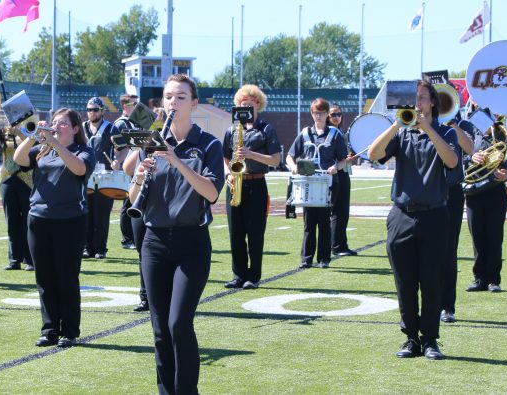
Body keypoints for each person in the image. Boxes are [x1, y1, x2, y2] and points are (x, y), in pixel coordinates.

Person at [129, 74, 224, 394]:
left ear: (194, 103)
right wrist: (140, 176)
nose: (174, 102)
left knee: (178, 325)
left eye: (181, 97)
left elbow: (211, 193)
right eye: (169, 97)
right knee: (159, 330)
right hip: (154, 241)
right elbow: (132, 199)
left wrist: (175, 158)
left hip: (192, 243)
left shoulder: (208, 143)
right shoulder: (151, 141)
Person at [368, 80, 459, 360]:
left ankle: (430, 339)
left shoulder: (445, 132)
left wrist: (427, 128)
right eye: (413, 99)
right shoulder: (402, 133)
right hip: (401, 215)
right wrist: (397, 124)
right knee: (404, 281)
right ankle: (410, 338)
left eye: (421, 98)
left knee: (432, 281)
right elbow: (373, 154)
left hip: (434, 215)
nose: (417, 103)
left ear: (432, 102)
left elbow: (452, 161)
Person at [13, 108, 95, 348]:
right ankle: (49, 329)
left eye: (63, 124)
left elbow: (79, 169)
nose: (57, 126)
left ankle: (69, 331)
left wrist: (57, 145)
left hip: (70, 221)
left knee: (66, 278)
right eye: (55, 122)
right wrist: (33, 136)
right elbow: (18, 159)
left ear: (75, 129)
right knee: (45, 278)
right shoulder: (42, 150)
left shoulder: (83, 151)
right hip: (39, 219)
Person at [222, 85, 281, 290]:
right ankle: (238, 275)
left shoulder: (266, 129)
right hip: (235, 183)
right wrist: (228, 173)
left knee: (255, 233)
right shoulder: (231, 129)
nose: (245, 105)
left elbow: (275, 160)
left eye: (250, 102)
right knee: (235, 233)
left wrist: (251, 154)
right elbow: (225, 157)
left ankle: (253, 276)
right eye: (241, 102)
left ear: (258, 104)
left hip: (256, 183)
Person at [286, 98, 348, 269]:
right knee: (309, 222)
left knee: (324, 221)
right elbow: (289, 156)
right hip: (308, 182)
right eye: (315, 113)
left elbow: (344, 160)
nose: (318, 116)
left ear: (327, 114)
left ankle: (323, 259)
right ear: (311, 113)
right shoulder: (305, 133)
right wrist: (292, 167)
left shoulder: (335, 135)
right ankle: (306, 259)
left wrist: (336, 167)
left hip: (328, 183)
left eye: (321, 113)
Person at [459, 117, 507, 301]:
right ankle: (479, 278)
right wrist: (472, 156)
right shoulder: (470, 133)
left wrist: (506, 173)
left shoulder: (503, 135)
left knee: (494, 237)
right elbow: (460, 156)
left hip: (495, 191)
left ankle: (494, 279)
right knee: (477, 236)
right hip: (474, 192)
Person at [0, 102, 34, 271]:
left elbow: (31, 145)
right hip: (7, 178)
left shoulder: (30, 127)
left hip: (26, 179)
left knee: (27, 220)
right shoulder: (4, 132)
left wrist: (19, 131)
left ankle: (30, 259)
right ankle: (14, 259)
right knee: (11, 220)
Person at [438, 107, 474, 324]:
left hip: (451, 191)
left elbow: (470, 148)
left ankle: (447, 306)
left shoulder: (463, 125)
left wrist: (452, 123)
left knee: (448, 252)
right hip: (426, 191)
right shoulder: (420, 123)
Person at [83, 97, 127, 259]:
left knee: (101, 215)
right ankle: (87, 248)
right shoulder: (82, 128)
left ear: (102, 111)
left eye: (95, 110)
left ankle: (101, 249)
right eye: (89, 110)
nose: (91, 113)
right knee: (86, 213)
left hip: (105, 177)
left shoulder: (111, 128)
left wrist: (117, 161)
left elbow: (123, 148)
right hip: (86, 177)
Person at [327, 104, 358, 257]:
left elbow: (344, 156)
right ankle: (337, 246)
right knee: (338, 212)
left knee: (342, 212)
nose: (337, 117)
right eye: (333, 114)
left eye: (339, 114)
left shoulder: (341, 132)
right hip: (335, 174)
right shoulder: (329, 133)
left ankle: (340, 244)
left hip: (344, 173)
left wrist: (350, 158)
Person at [114, 94, 140, 251]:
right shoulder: (120, 124)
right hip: (126, 166)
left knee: (135, 201)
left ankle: (133, 236)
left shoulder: (134, 122)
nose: (136, 106)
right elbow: (118, 148)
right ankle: (127, 239)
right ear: (125, 106)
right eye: (133, 103)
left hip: (136, 165)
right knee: (128, 202)